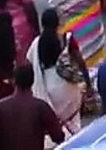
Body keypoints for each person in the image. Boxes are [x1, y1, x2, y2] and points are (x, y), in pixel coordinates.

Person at [26, 8, 87, 136]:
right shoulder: (67, 39)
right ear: (57, 22)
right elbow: (80, 61)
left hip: (46, 86)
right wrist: (88, 84)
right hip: (67, 88)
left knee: (52, 123)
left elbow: (28, 63)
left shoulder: (36, 43)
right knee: (72, 122)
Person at [0, 63, 65, 149]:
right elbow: (58, 137)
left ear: (14, 81)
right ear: (32, 81)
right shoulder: (41, 107)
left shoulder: (1, 106)